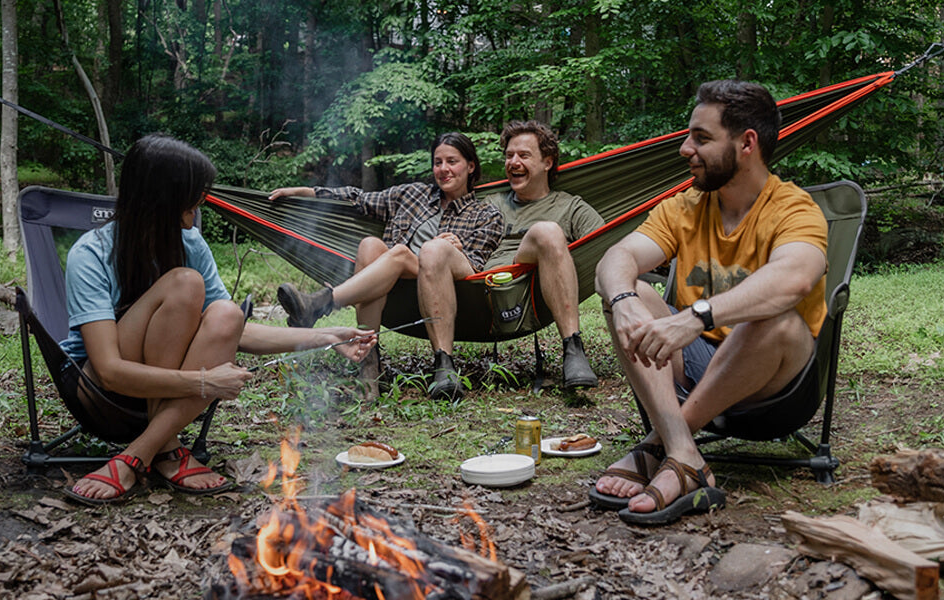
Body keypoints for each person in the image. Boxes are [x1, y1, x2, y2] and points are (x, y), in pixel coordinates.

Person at [61, 135, 375, 505]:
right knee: (185, 283)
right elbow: (110, 371)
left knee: (226, 312)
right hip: (104, 396)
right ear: (162, 201)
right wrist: (205, 381)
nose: (198, 209)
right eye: (192, 200)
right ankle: (159, 451)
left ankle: (141, 453)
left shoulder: (189, 243)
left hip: (161, 394)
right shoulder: (91, 254)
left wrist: (326, 336)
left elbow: (236, 332)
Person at [589, 80, 829, 525]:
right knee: (634, 291)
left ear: (746, 144)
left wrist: (696, 317)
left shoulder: (795, 208)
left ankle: (657, 447)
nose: (684, 149)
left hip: (774, 389)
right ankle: (684, 455)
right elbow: (615, 257)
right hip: (695, 367)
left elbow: (794, 278)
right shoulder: (687, 206)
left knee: (774, 316)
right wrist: (622, 299)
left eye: (701, 138)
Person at [268, 133, 505, 396]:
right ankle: (369, 366)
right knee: (370, 245)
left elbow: (476, 266)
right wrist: (305, 192)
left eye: (452, 161)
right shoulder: (411, 194)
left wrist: (453, 249)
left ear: (471, 166)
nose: (443, 169)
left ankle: (322, 302)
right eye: (437, 162)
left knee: (417, 251)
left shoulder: (486, 214)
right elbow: (357, 199)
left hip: (450, 288)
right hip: (396, 287)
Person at [419, 121, 605, 399]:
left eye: (524, 155)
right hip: (476, 285)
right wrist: (456, 242)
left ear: (547, 162)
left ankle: (573, 349)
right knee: (432, 249)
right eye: (509, 156)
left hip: (528, 288)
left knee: (547, 231)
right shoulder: (488, 202)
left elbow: (608, 245)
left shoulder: (570, 206)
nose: (513, 162)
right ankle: (444, 365)